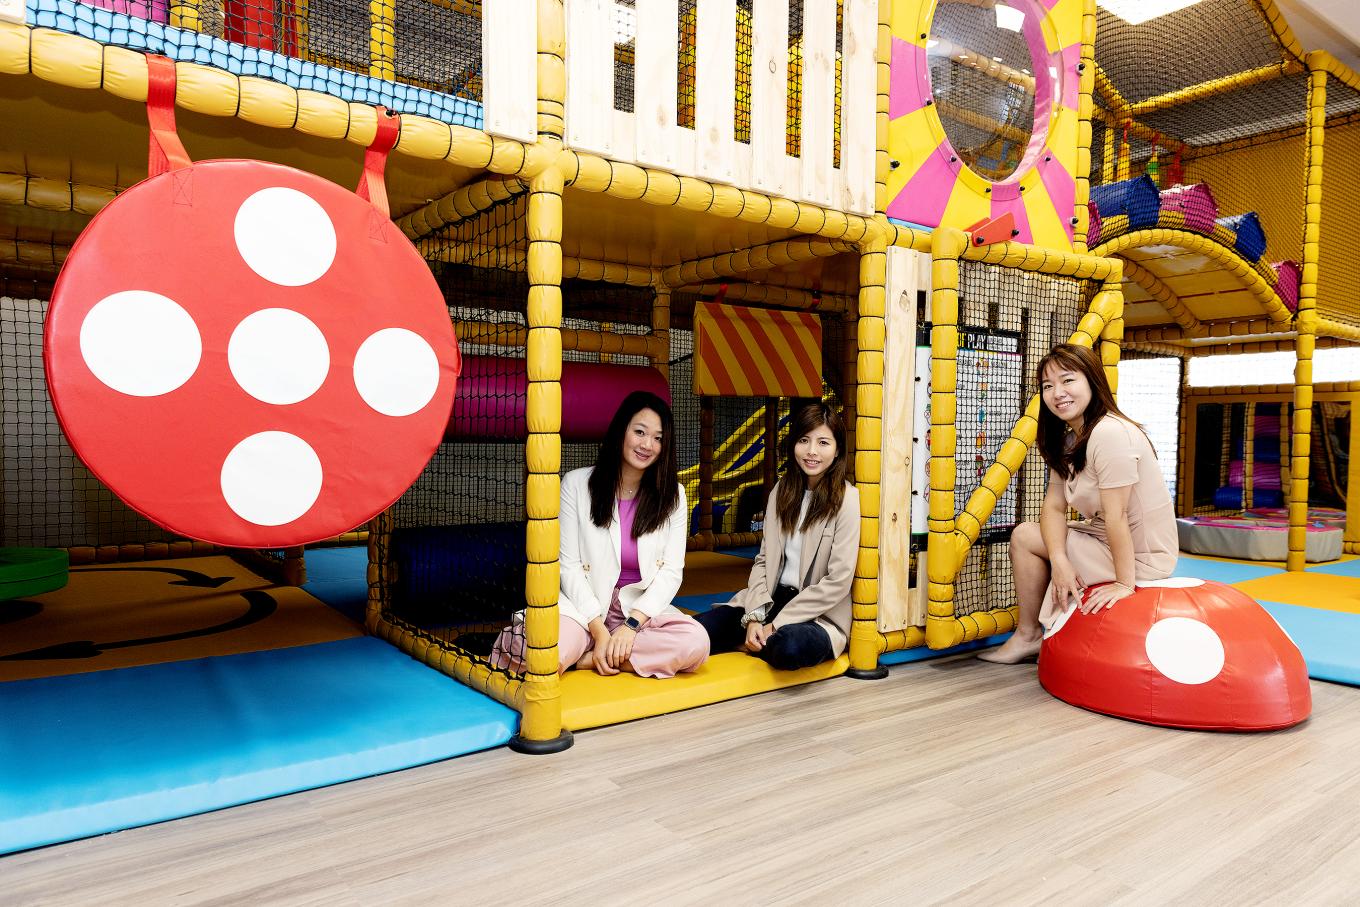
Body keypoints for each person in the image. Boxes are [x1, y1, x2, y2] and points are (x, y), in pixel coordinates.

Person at [980, 343, 1178, 664]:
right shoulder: (1071, 437)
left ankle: (1031, 634)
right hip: (1104, 537)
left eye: (1068, 380)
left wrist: (1124, 584)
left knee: (1026, 537)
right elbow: (1054, 507)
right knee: (1026, 534)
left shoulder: (1111, 433)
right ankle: (1029, 636)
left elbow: (1116, 517)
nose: (1057, 392)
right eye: (1048, 385)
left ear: (1092, 381)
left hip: (1142, 555)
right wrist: (1059, 560)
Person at [490, 391, 709, 677]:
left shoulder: (674, 496)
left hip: (637, 612)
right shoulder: (576, 484)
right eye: (640, 432)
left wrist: (631, 627)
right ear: (622, 431)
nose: (647, 445)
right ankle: (594, 651)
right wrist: (598, 628)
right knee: (533, 649)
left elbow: (671, 572)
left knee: (696, 643)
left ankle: (589, 659)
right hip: (583, 609)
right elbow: (566, 565)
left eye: (658, 438)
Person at [694, 402, 860, 670]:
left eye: (823, 443)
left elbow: (839, 580)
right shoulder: (782, 491)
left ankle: (751, 643)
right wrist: (755, 616)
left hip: (817, 613)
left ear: (837, 449)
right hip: (770, 600)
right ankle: (753, 638)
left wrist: (778, 624)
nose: (812, 451)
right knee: (698, 629)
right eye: (804, 440)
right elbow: (763, 561)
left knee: (788, 648)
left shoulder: (848, 500)